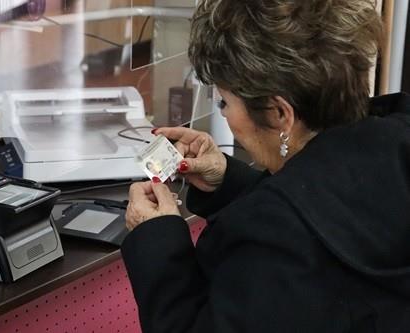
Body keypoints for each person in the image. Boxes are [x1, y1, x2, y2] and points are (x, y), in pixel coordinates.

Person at [121, 0, 410, 332]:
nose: (225, 115)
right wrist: (228, 181)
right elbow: (332, 216)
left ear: (279, 113)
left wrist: (158, 240)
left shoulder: (274, 240)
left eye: (225, 102)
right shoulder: (395, 142)